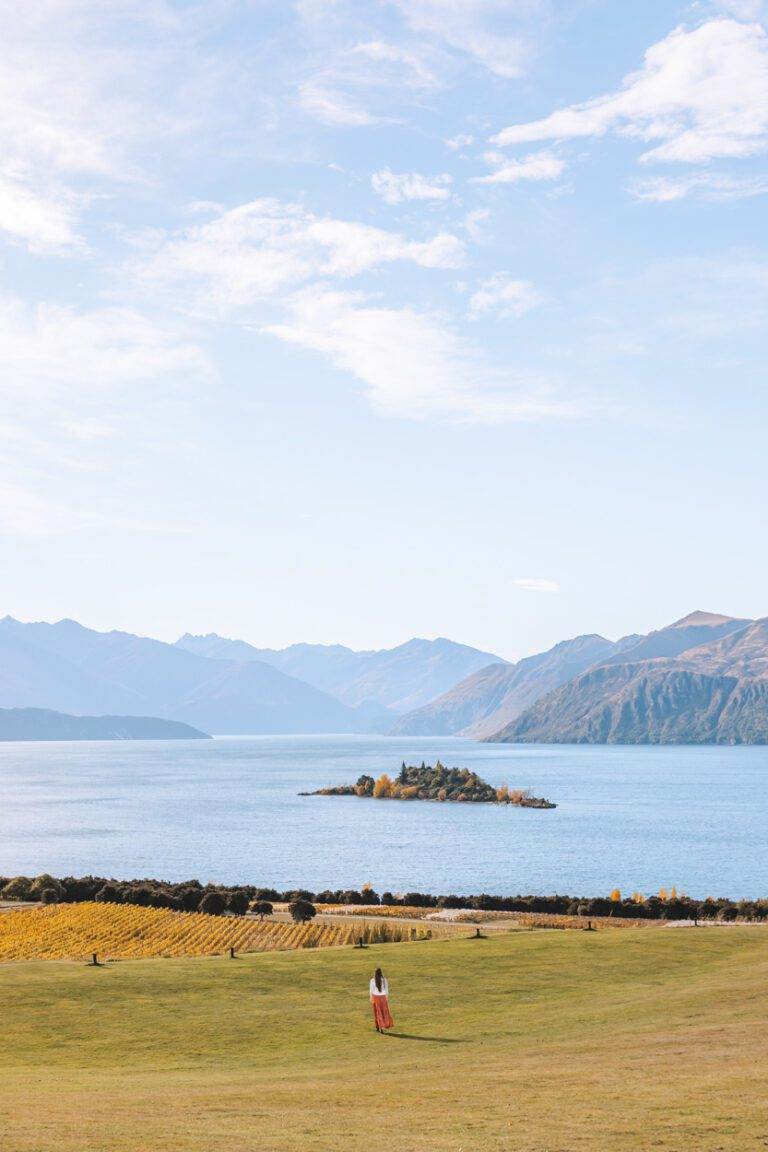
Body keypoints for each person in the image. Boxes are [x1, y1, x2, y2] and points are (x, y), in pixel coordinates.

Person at [369, 966, 394, 1032]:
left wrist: (371, 998)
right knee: (384, 1012)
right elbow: (386, 989)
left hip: (375, 997)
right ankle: (383, 1026)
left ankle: (378, 1026)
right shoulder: (384, 980)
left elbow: (371, 990)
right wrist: (386, 997)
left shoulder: (372, 980)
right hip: (383, 997)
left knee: (377, 1012)